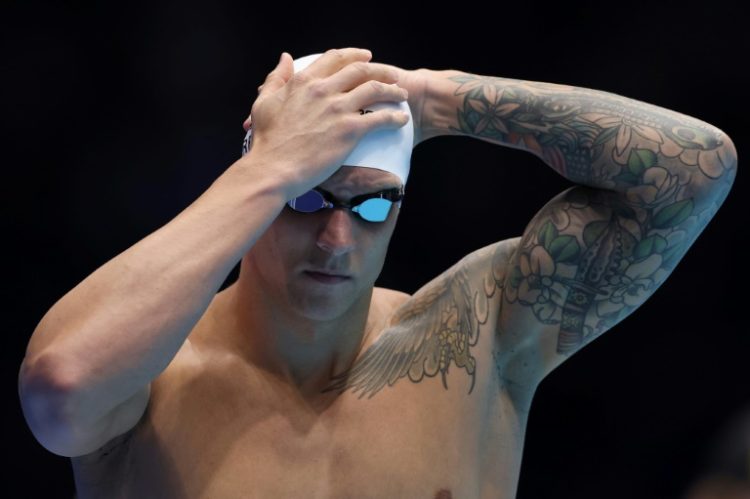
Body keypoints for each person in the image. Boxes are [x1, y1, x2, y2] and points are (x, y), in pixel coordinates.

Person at [18, 47, 737, 498]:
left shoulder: (475, 334)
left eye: (371, 206)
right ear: (253, 189)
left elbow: (694, 168)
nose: (336, 237)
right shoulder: (156, 377)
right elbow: (61, 387)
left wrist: (438, 98)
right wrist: (271, 164)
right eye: (306, 197)